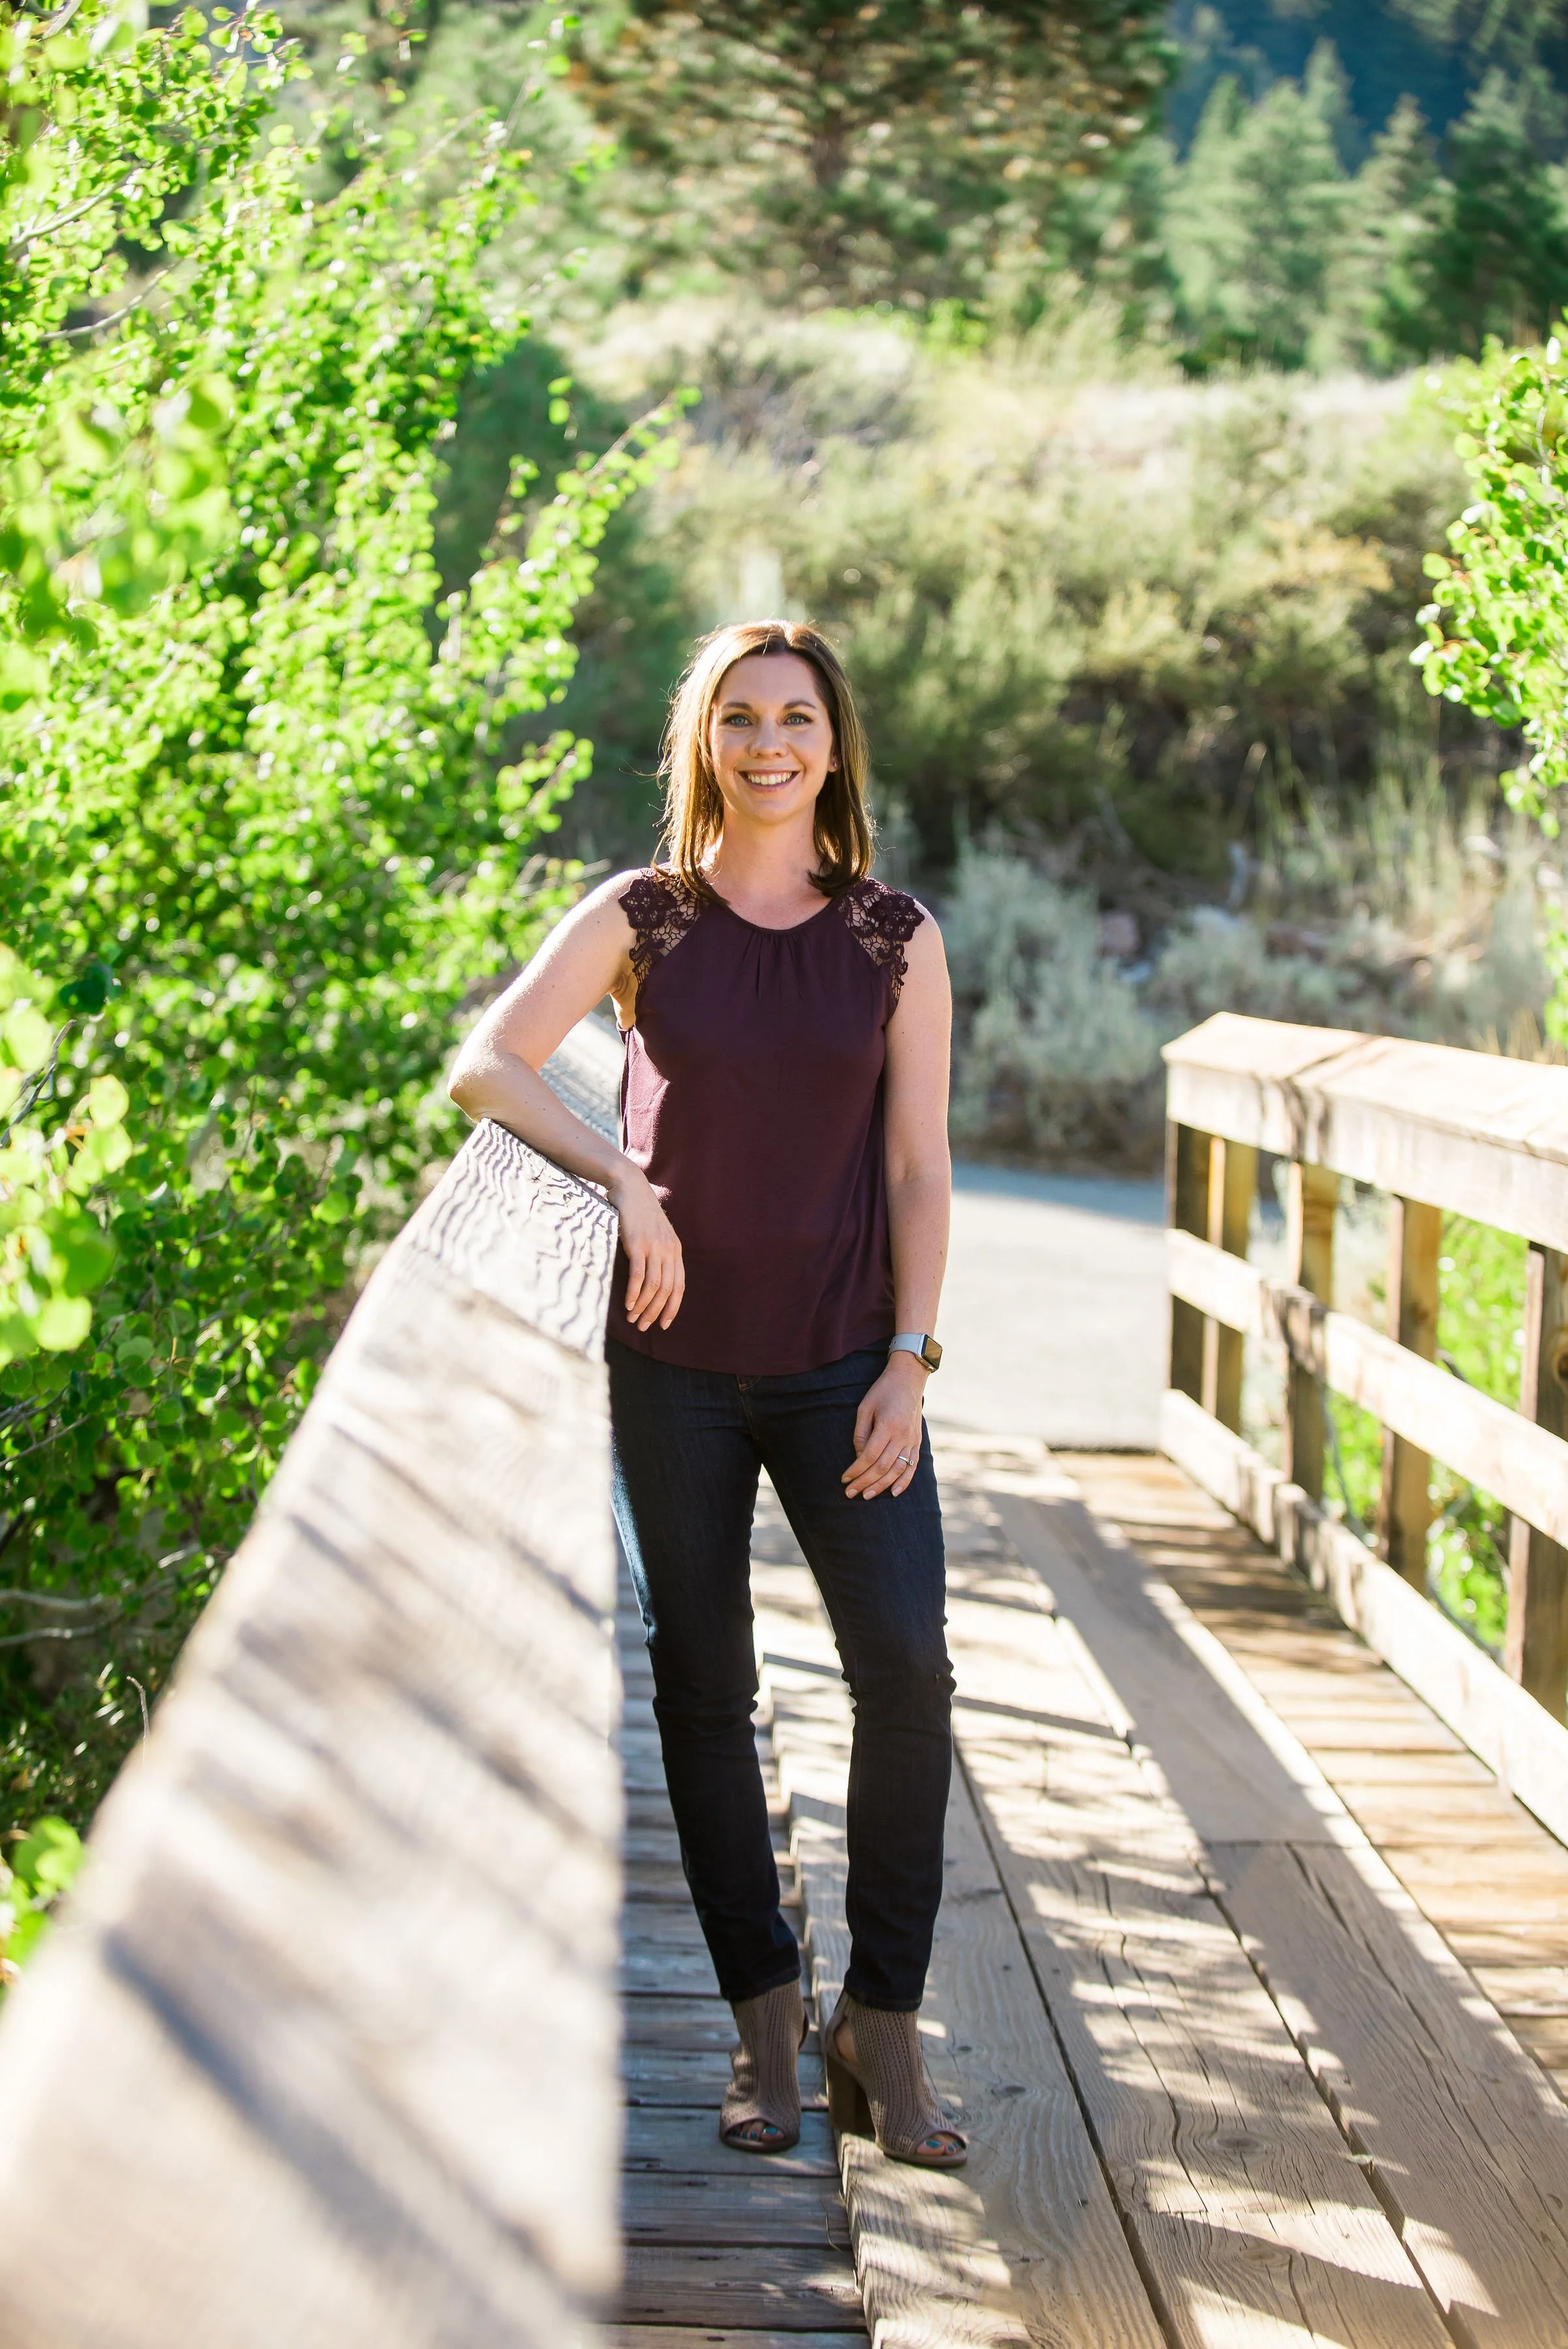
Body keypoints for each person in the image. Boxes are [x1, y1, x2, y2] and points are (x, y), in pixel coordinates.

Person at [448, 618, 964, 2169]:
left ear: (833, 745)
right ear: (704, 741)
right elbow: (489, 1063)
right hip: (668, 1367)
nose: (767, 744)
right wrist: (627, 1181)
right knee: (701, 1688)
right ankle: (761, 2026)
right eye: (739, 717)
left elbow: (919, 1168)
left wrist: (911, 1363)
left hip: (840, 1369)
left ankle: (879, 2026)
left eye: (795, 718)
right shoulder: (643, 916)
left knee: (910, 1672)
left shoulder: (891, 935)